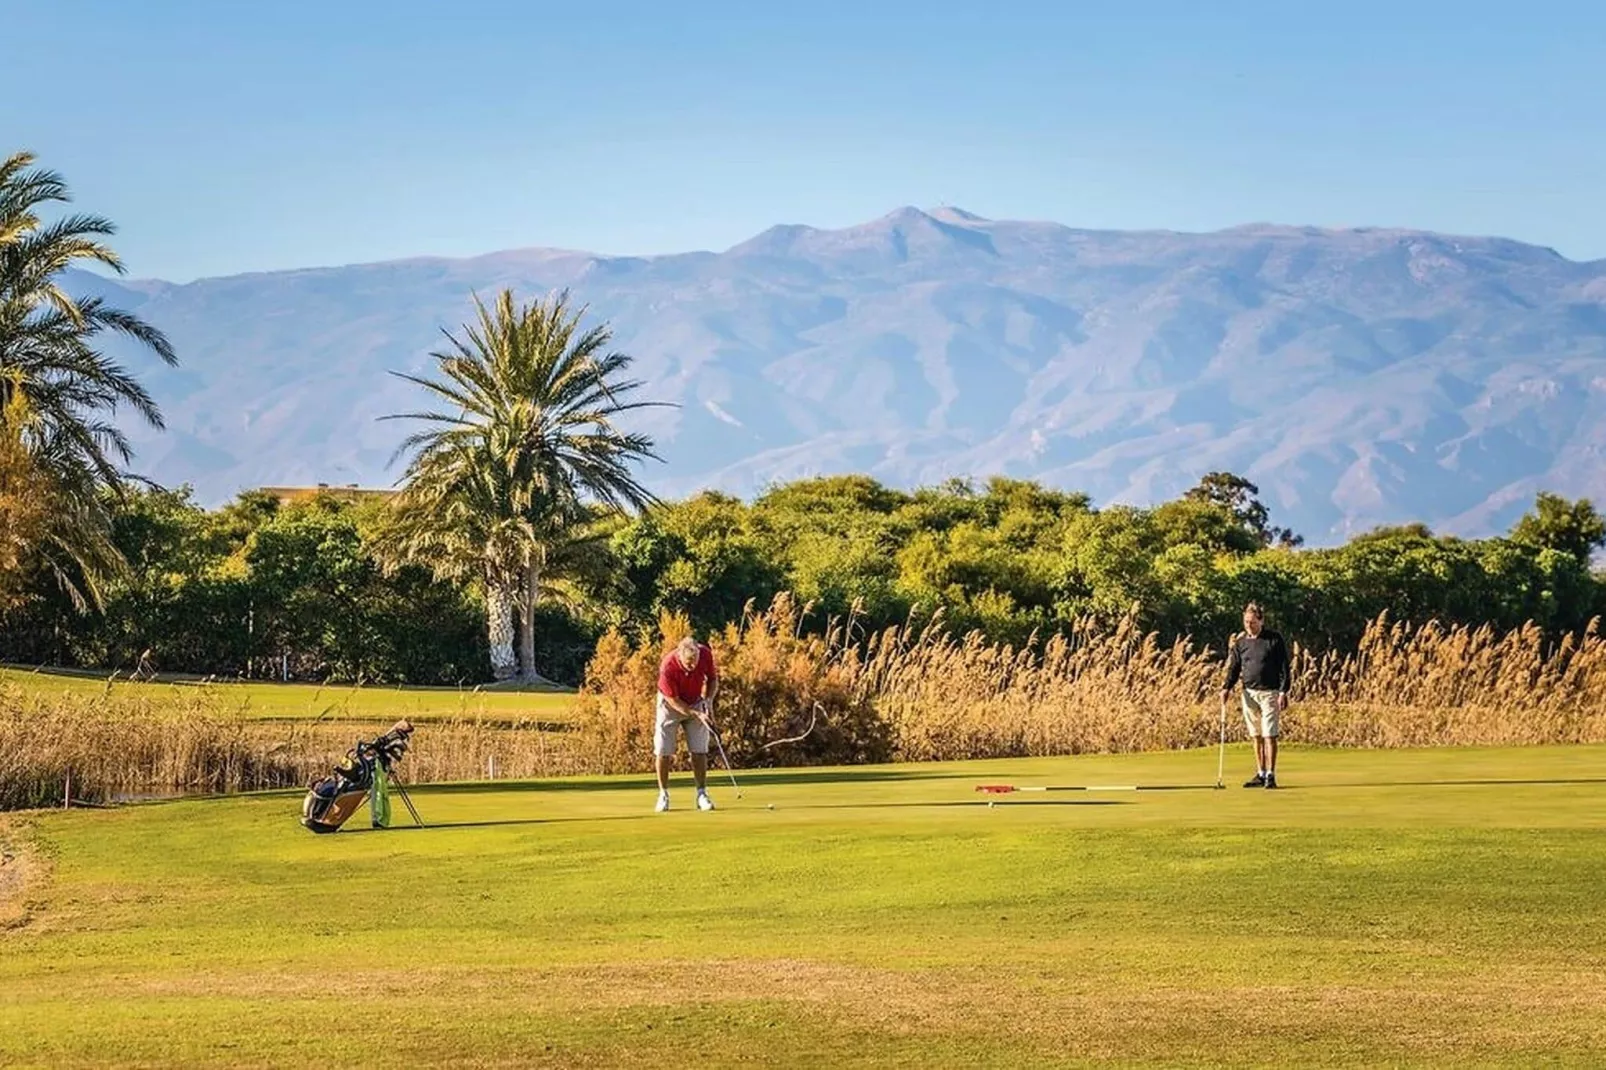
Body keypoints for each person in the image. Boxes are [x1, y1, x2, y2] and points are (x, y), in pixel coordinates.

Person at [1219, 602, 1291, 789]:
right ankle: (1260, 773)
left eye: (1252, 622)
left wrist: (1284, 691)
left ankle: (1270, 775)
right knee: (1256, 734)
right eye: (1246, 622)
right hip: (1248, 693)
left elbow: (1284, 667)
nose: (1249, 625)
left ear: (1261, 620)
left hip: (1270, 692)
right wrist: (1226, 687)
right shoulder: (1241, 643)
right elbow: (1234, 668)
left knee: (1270, 734)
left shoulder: (1273, 639)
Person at [653, 635, 721, 812]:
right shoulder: (668, 666)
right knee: (663, 750)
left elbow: (712, 679)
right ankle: (663, 794)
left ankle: (701, 794)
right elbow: (674, 701)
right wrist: (696, 713)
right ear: (679, 656)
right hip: (670, 705)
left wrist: (708, 701)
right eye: (688, 663)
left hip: (696, 701)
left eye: (695, 662)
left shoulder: (705, 654)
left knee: (700, 750)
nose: (692, 667)